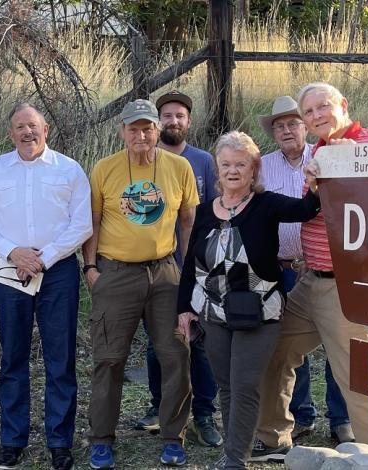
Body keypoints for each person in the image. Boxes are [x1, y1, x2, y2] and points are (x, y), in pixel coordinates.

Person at [255, 82, 368, 459]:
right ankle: (272, 438)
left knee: (355, 375)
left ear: (342, 105)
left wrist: (356, 162)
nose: (316, 116)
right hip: (310, 279)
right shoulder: (319, 148)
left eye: (322, 107)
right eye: (309, 111)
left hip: (346, 285)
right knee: (275, 350)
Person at [177, 131, 320, 469]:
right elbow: (190, 266)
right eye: (226, 164)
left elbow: (306, 210)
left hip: (259, 312)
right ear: (217, 168)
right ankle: (233, 452)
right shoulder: (204, 212)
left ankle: (235, 459)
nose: (233, 170)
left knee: (244, 384)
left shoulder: (266, 204)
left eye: (241, 164)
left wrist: (315, 181)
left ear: (254, 169)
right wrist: (184, 308)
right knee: (226, 385)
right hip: (213, 312)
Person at [0, 103, 92, 470]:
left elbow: (82, 223)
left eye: (33, 126)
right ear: (11, 134)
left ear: (46, 128)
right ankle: (12, 440)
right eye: (20, 127)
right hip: (11, 271)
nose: (27, 132)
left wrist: (46, 257)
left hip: (57, 272)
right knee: (13, 357)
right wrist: (14, 253)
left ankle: (60, 442)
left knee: (60, 359)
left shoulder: (69, 169)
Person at [82, 99, 198, 468]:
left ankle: (172, 436)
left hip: (165, 273)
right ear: (122, 132)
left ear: (157, 131)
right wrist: (90, 268)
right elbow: (93, 222)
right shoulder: (104, 168)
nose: (141, 135)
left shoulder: (179, 168)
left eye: (148, 128)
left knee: (176, 354)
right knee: (109, 358)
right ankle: (101, 438)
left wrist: (187, 272)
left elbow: (188, 223)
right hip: (116, 273)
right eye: (134, 129)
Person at [254, 95, 353, 445]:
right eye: (279, 126)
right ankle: (300, 416)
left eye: (292, 123)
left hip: (321, 266)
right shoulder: (262, 166)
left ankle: (343, 420)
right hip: (280, 269)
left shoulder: (325, 154)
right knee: (286, 347)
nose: (286, 131)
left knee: (339, 349)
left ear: (305, 127)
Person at [133, 91, 221, 447]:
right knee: (159, 343)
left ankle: (203, 414)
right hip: (156, 266)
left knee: (199, 342)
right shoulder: (142, 163)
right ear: (156, 123)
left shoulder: (203, 162)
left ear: (188, 121)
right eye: (166, 116)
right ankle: (160, 407)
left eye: (179, 116)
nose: (173, 122)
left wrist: (205, 264)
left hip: (195, 265)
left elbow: (216, 210)